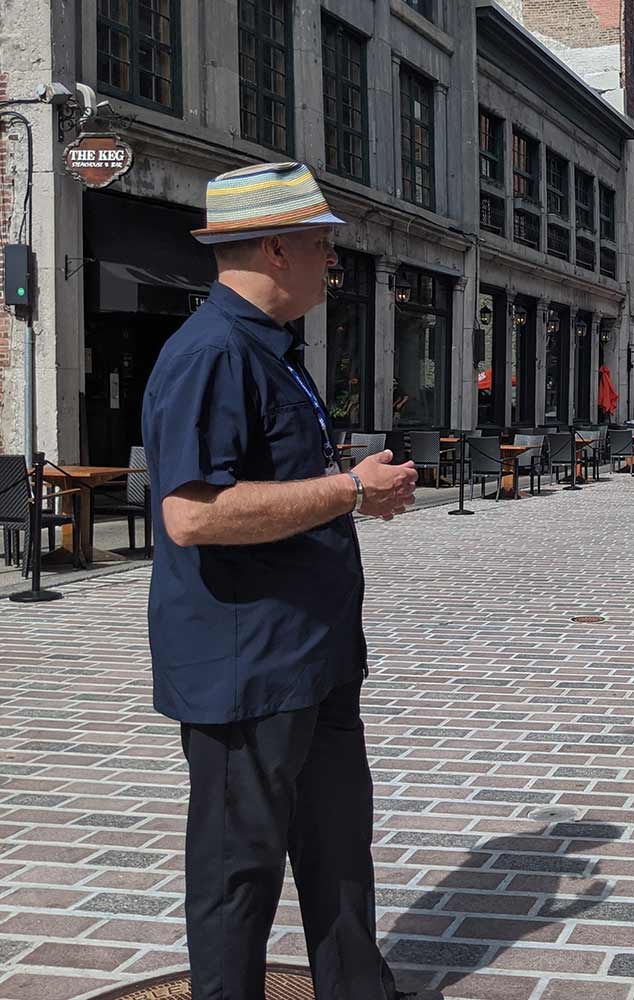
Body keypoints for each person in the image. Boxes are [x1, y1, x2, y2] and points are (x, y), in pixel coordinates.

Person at [141, 162, 426, 1000]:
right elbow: (191, 514)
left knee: (340, 850)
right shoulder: (212, 352)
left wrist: (347, 483)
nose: (331, 265)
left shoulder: (271, 349)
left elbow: (269, 483)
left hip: (314, 655)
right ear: (276, 248)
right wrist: (347, 490)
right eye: (321, 247)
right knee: (239, 877)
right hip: (247, 668)